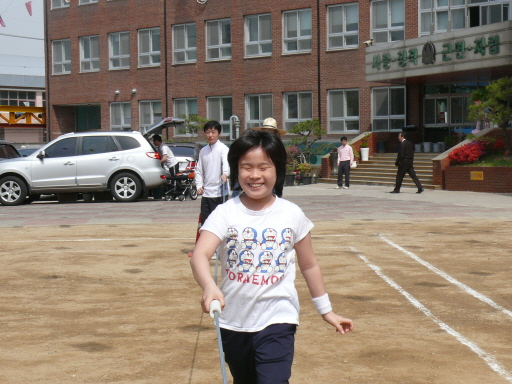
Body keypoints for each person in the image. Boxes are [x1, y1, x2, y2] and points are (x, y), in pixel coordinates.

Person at [190, 130, 354, 384]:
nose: (255, 175)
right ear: (236, 170)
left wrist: (327, 311)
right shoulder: (225, 213)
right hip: (233, 322)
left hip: (279, 319)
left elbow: (309, 265)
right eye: (246, 167)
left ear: (277, 169)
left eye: (263, 167)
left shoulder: (292, 214)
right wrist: (209, 287)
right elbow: (200, 254)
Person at [195, 120, 230, 225]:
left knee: (218, 222)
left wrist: (225, 174)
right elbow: (199, 169)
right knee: (206, 221)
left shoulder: (223, 149)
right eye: (207, 132)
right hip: (207, 193)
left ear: (218, 133)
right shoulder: (203, 150)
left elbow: (226, 164)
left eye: (213, 132)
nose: (210, 135)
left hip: (219, 192)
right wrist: (198, 185)